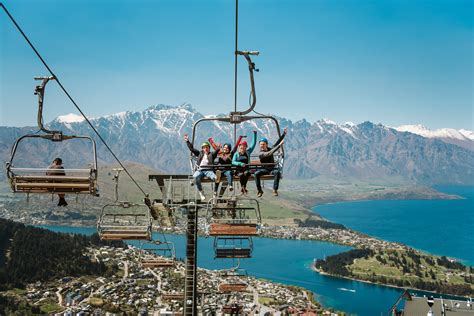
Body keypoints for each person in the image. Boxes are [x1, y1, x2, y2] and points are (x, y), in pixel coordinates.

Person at [184, 134, 220, 201]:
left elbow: (216, 151)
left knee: (214, 177)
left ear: (209, 148)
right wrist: (187, 141)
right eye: (204, 148)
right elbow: (191, 149)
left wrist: (218, 148)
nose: (205, 149)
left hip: (208, 170)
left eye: (207, 147)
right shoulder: (199, 153)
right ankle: (201, 192)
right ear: (202, 149)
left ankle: (215, 183)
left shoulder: (212, 154)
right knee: (196, 177)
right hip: (200, 170)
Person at [255, 127, 288, 197]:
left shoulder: (270, 148)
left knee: (277, 172)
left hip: (272, 168)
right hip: (264, 169)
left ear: (266, 144)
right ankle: (259, 190)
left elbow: (277, 142)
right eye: (261, 145)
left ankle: (275, 189)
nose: (262, 146)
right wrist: (279, 146)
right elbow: (269, 153)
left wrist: (284, 134)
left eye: (263, 144)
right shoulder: (261, 153)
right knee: (256, 174)